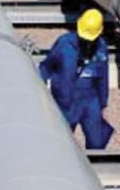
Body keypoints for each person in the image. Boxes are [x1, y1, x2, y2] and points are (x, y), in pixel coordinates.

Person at [39, 8, 114, 149]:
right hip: (66, 100)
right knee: (62, 141)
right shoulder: (64, 45)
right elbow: (47, 66)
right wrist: (38, 87)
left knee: (97, 142)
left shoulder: (101, 48)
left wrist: (103, 102)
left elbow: (103, 78)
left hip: (91, 99)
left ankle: (94, 162)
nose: (87, 41)